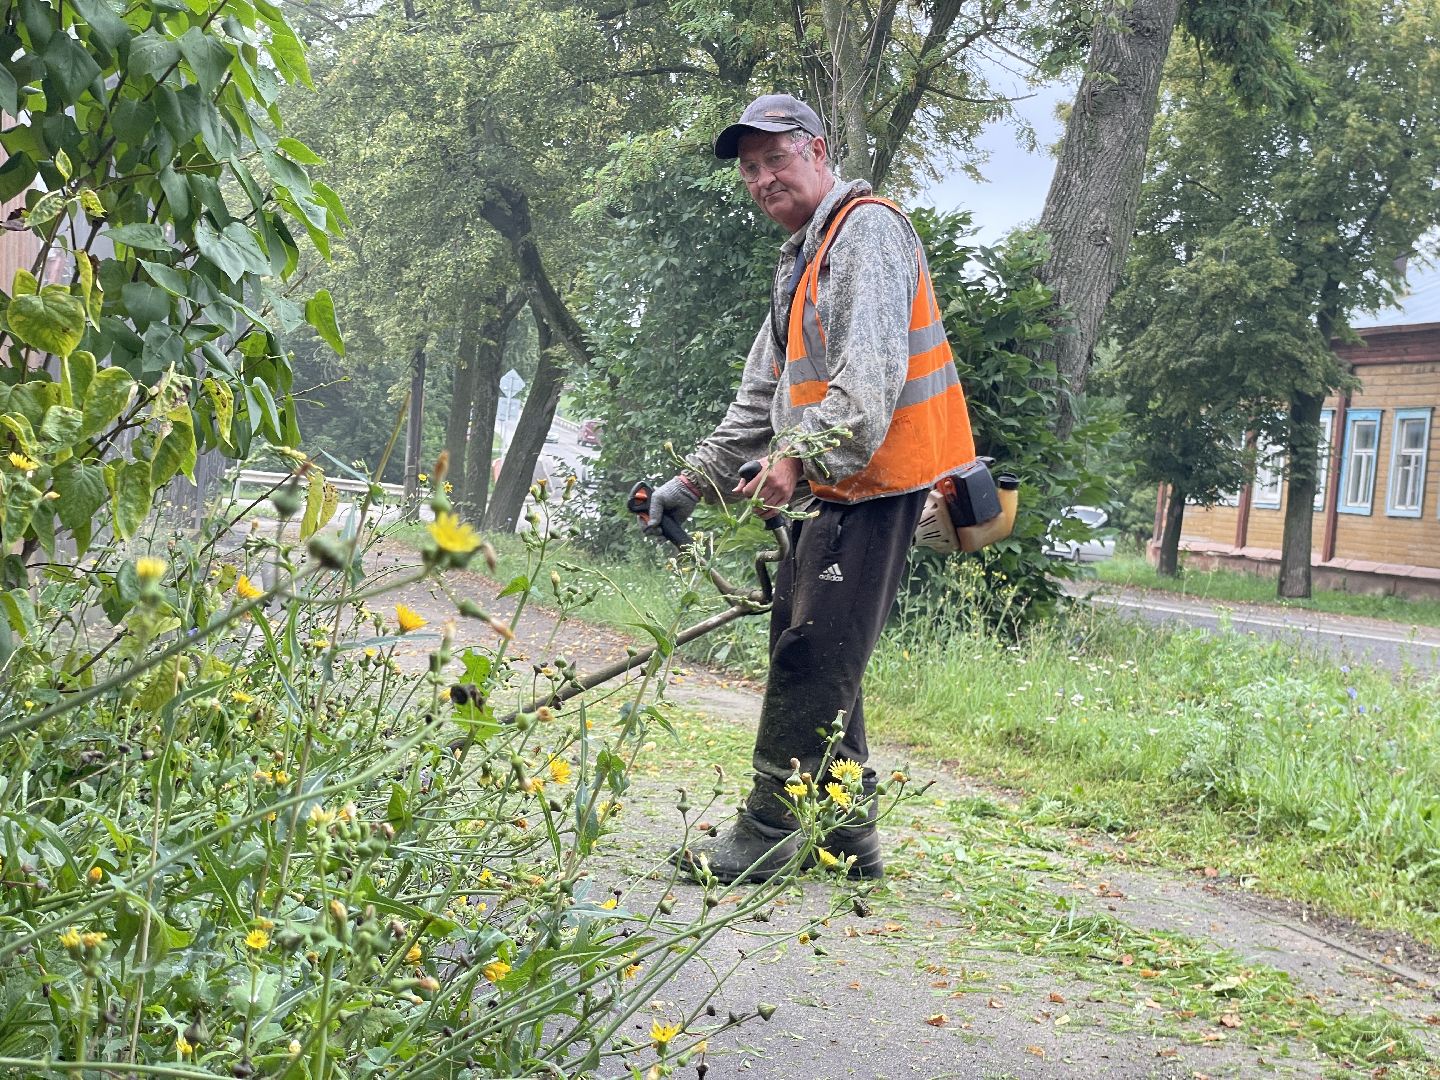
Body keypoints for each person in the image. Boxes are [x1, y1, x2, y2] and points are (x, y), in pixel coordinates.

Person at [644, 93, 977, 884]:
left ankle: (767, 830)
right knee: (823, 658)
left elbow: (868, 388)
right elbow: (761, 399)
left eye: (776, 159)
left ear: (819, 153)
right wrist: (692, 482)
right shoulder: (801, 259)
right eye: (749, 169)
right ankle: (849, 837)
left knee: (806, 658)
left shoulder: (867, 233)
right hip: (831, 488)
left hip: (877, 484)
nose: (762, 178)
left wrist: (792, 458)